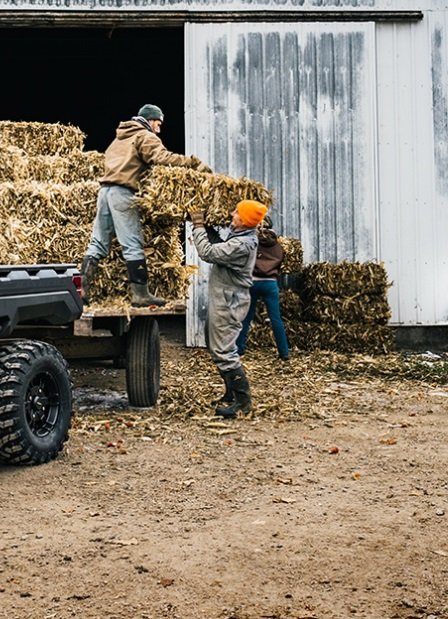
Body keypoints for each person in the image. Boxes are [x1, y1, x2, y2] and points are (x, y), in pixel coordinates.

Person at [82, 104, 212, 307]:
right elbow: (161, 157)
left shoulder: (119, 139)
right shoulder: (145, 136)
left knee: (97, 243)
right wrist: (193, 163)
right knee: (132, 244)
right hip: (122, 192)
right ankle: (140, 294)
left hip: (104, 191)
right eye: (158, 123)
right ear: (150, 120)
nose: (158, 129)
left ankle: (82, 290)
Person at [187, 199, 267, 419]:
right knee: (216, 346)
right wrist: (208, 228)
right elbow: (216, 246)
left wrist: (198, 225)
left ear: (245, 220)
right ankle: (231, 393)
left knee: (223, 350)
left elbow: (207, 253)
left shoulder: (242, 245)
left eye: (237, 213)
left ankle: (243, 402)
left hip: (229, 302)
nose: (232, 214)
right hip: (225, 298)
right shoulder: (239, 236)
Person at [237, 224, 291, 361]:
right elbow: (282, 264)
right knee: (275, 318)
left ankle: (239, 349)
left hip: (253, 282)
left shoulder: (253, 242)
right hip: (270, 283)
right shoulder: (278, 246)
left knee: (247, 316)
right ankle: (284, 352)